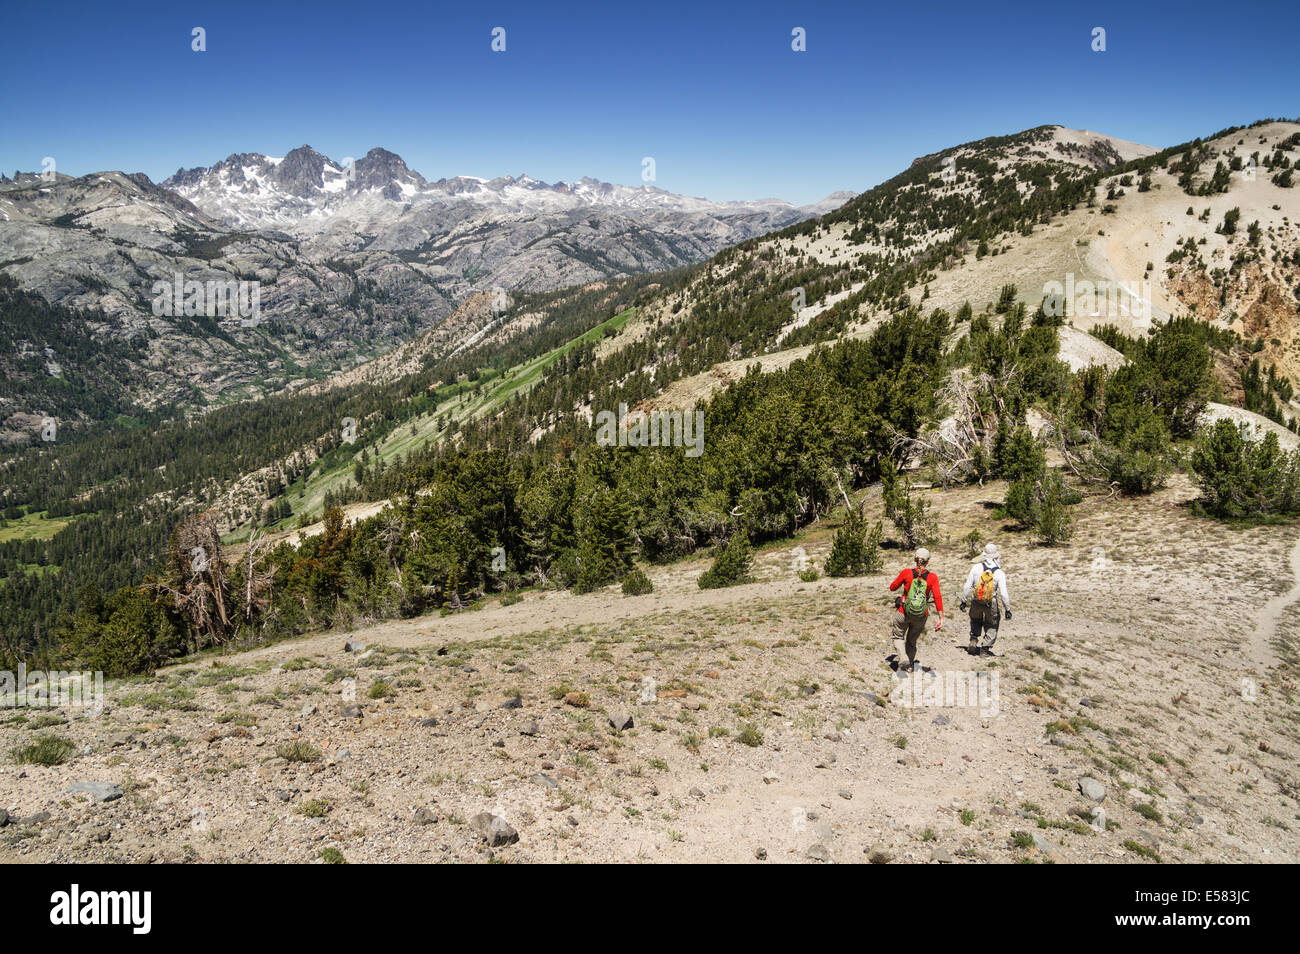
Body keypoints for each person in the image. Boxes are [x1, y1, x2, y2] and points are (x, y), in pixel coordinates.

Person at [888, 547, 943, 672]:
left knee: (898, 637)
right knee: (912, 641)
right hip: (921, 615)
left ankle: (903, 658)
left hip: (903, 612)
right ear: (928, 561)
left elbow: (892, 587)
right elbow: (938, 597)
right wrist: (941, 617)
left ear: (915, 559)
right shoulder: (932, 577)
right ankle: (908, 666)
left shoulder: (906, 572)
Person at [959, 542, 1011, 655]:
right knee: (992, 625)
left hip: (976, 600)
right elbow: (1004, 593)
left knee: (975, 620)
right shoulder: (999, 573)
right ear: (996, 556)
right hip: (990, 602)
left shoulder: (976, 567)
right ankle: (985, 649)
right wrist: (1008, 609)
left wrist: (963, 601)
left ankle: (973, 639)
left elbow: (967, 586)